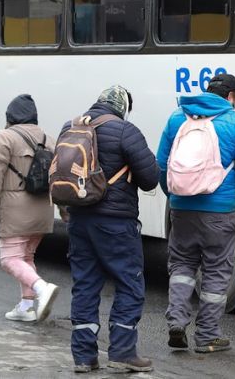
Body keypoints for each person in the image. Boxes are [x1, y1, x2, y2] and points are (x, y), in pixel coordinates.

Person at [158, 73, 235, 354]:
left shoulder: (177, 118)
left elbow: (161, 165)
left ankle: (177, 323)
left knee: (181, 266)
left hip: (181, 209)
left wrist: (176, 197)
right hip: (220, 211)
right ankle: (206, 336)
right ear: (231, 97)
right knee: (216, 273)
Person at [62, 86, 160, 374]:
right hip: (116, 222)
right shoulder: (125, 131)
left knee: (85, 285)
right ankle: (122, 352)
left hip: (79, 220)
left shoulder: (71, 126)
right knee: (130, 283)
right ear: (123, 107)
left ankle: (83, 356)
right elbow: (150, 179)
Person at [0, 94, 59, 323]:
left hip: (16, 212)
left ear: (10, 116)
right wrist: (66, 211)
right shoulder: (48, 139)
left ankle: (42, 288)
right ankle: (26, 305)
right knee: (26, 256)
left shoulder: (5, 138)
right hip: (43, 212)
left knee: (9, 259)